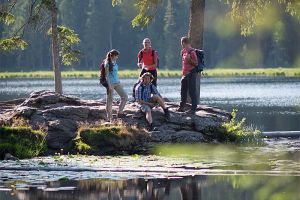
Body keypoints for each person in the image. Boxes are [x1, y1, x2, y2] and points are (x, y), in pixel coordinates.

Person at [103, 49, 128, 122]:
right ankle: (110, 118)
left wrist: (120, 82)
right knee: (110, 100)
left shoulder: (115, 62)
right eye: (116, 56)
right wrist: (109, 85)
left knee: (125, 97)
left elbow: (115, 74)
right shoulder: (107, 63)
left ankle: (120, 112)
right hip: (110, 83)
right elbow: (106, 75)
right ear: (113, 56)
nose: (117, 57)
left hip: (117, 83)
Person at [177, 36, 198, 114]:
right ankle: (182, 106)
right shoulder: (183, 51)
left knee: (192, 91)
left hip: (191, 73)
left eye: (181, 43)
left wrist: (190, 60)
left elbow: (196, 63)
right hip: (185, 74)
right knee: (183, 91)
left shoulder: (192, 52)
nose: (181, 44)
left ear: (183, 43)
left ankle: (194, 108)